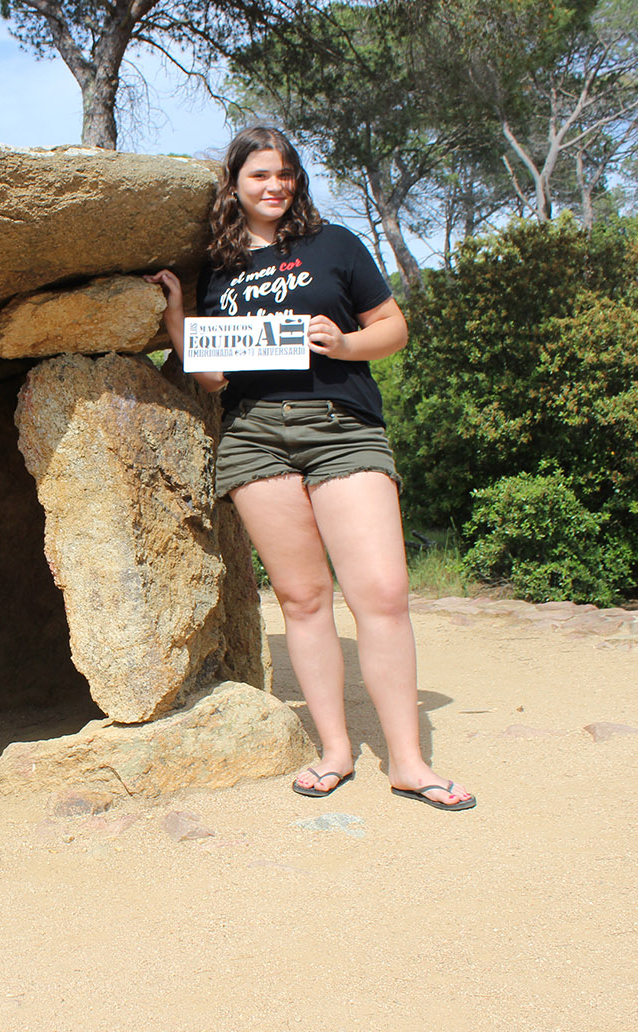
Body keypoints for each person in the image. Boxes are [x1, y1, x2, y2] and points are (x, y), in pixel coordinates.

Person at [146, 126, 474, 811]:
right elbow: (209, 376)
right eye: (261, 174)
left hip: (341, 426)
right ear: (234, 183)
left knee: (381, 591)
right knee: (302, 599)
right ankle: (334, 751)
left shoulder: (336, 245)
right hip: (256, 438)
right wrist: (180, 315)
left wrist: (347, 341)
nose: (275, 185)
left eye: (286, 173)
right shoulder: (221, 267)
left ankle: (409, 762)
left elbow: (394, 328)